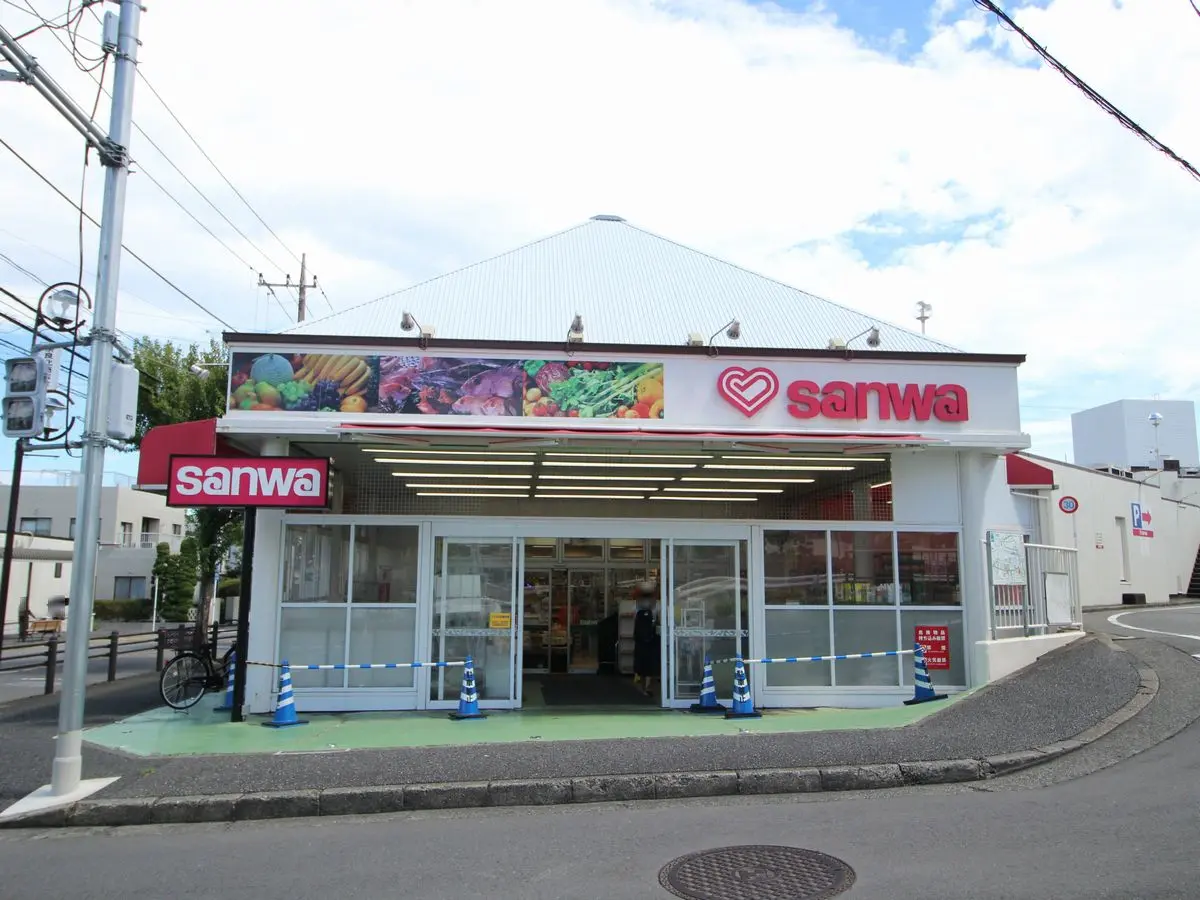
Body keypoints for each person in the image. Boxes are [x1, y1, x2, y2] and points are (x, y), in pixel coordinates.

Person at [631, 583, 660, 697]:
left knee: (640, 661)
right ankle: (648, 686)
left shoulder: (636, 606)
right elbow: (658, 620)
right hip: (651, 639)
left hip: (640, 639)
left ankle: (641, 683)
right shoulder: (656, 605)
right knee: (650, 663)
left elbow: (634, 618)